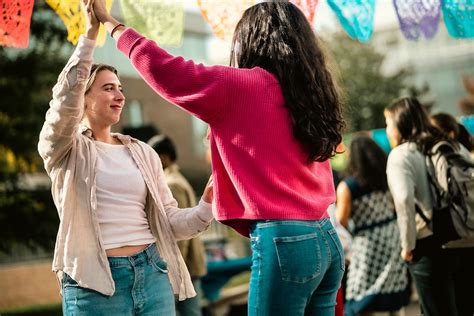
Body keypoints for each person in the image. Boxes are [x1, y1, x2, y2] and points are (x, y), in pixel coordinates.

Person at [92, 1, 346, 315]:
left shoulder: (240, 86)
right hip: (326, 237)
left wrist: (113, 25)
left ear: (251, 41)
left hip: (285, 240)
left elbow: (166, 69)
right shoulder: (310, 94)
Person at [37, 2, 214, 315]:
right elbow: (63, 104)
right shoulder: (66, 149)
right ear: (85, 98)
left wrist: (206, 206)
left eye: (120, 88)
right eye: (108, 88)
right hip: (94, 284)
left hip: (153, 274)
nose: (119, 96)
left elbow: (170, 221)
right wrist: (90, 34)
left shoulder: (143, 152)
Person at [384, 97, 469, 316]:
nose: (387, 130)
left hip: (428, 243)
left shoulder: (401, 154)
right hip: (462, 236)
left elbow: (403, 200)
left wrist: (407, 245)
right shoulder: (451, 146)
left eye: (388, 123)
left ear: (400, 124)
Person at [335, 135, 409, 316]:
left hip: (367, 243)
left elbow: (341, 220)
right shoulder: (386, 177)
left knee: (361, 295)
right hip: (392, 236)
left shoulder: (348, 186)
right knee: (392, 290)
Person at [148, 134, 207, 316]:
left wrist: (173, 266)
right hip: (189, 264)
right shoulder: (177, 178)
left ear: (163, 157)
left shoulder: (171, 184)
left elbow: (179, 231)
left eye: (153, 156)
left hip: (183, 265)